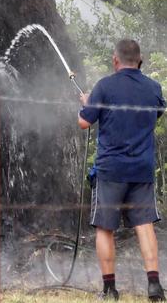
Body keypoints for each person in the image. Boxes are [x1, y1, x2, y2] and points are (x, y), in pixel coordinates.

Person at [79, 39, 166, 301]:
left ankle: (109, 289)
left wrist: (86, 102)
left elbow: (84, 122)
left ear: (115, 60)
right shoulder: (153, 88)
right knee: (145, 225)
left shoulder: (104, 86)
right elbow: (156, 113)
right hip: (141, 169)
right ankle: (155, 286)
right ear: (140, 60)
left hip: (110, 170)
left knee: (105, 228)